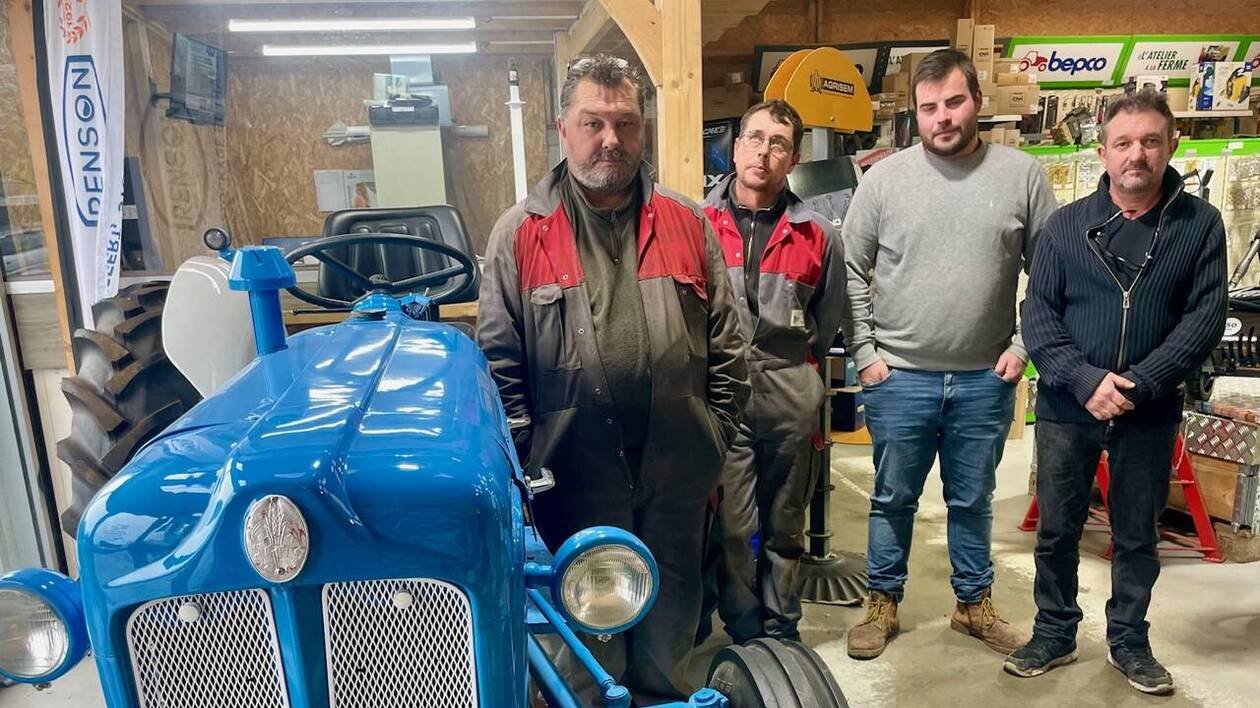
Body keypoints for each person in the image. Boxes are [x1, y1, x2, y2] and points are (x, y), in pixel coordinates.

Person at [477, 54, 748, 704]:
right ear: (562, 127)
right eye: (593, 122)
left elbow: (730, 353)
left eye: (625, 122)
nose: (610, 139)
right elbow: (498, 368)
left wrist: (710, 440)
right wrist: (527, 469)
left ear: (643, 127)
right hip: (571, 491)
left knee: (668, 643)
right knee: (583, 664)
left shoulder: (688, 224)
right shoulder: (520, 236)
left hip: (675, 482)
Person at [839, 48, 1057, 660]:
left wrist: (1022, 348)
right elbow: (850, 271)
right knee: (891, 498)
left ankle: (973, 605)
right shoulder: (883, 180)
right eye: (929, 107)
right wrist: (866, 354)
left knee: (972, 500)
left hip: (984, 380)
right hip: (898, 376)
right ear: (915, 112)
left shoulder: (1023, 176)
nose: (942, 117)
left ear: (977, 103)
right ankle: (881, 605)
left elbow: (1051, 276)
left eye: (954, 103)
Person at [1006, 91, 1226, 695]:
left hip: (1147, 409)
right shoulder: (1065, 226)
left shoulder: (1199, 226)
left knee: (1136, 532)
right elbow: (1038, 314)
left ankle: (1128, 640)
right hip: (1066, 405)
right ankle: (1053, 631)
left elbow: (1204, 318)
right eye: (1124, 143)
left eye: (1151, 141)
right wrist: (1083, 380)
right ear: (1102, 151)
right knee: (1057, 528)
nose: (1137, 155)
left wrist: (1143, 383)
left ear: (1171, 145)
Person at [698, 99, 846, 643]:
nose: (764, 151)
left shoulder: (819, 234)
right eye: (754, 138)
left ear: (794, 157)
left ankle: (781, 625)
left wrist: (802, 381)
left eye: (778, 143)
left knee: (785, 523)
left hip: (789, 387)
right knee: (736, 526)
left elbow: (826, 322)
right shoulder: (698, 224)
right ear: (736, 148)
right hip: (723, 389)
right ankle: (742, 627)